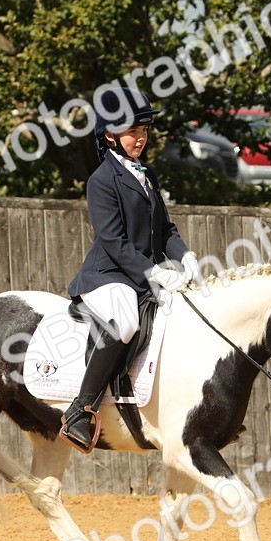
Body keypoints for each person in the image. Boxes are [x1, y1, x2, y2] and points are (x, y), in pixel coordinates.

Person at [60, 86, 200, 453]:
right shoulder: (101, 182)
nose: (140, 138)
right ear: (110, 135)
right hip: (108, 275)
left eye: (144, 131)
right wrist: (154, 272)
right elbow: (114, 242)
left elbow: (165, 229)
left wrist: (184, 256)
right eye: (132, 131)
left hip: (142, 274)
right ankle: (80, 409)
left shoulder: (146, 174)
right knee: (125, 323)